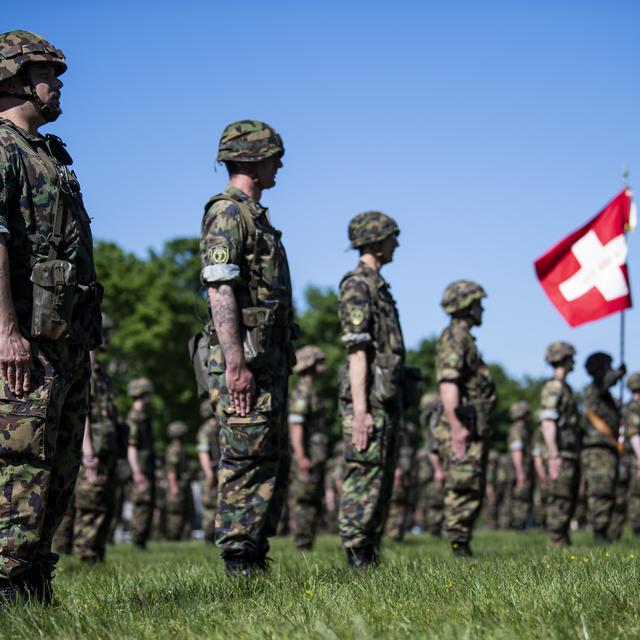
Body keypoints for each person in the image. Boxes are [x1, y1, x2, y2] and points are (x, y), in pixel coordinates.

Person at [0, 30, 102, 604]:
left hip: (64, 341)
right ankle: (6, 586)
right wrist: (6, 331)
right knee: (21, 465)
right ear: (14, 75)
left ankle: (35, 581)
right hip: (24, 344)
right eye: (48, 72)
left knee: (60, 469)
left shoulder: (49, 154)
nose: (57, 82)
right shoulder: (2, 149)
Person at [200, 120, 294, 575]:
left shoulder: (256, 216)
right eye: (275, 154)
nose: (280, 163)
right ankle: (239, 559)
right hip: (245, 363)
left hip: (266, 361)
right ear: (253, 158)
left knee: (266, 457)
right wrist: (235, 365)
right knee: (244, 456)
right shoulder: (229, 213)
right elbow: (220, 289)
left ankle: (254, 552)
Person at [337, 211, 405, 568]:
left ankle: (369, 550)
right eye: (392, 237)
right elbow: (357, 350)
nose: (396, 243)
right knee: (364, 473)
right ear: (376, 240)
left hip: (384, 397)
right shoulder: (358, 286)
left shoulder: (378, 287)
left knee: (379, 476)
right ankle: (357, 554)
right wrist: (361, 411)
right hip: (368, 400)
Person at [435, 280, 496, 557]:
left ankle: (463, 543)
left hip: (471, 424)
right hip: (462, 425)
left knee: (470, 485)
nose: (481, 309)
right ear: (467, 306)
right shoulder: (455, 338)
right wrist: (458, 429)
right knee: (462, 485)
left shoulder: (463, 338)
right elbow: (448, 384)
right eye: (477, 304)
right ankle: (459, 546)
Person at [72, 314, 119, 561]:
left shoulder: (101, 372)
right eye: (105, 332)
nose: (108, 338)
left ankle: (96, 553)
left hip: (106, 448)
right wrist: (87, 451)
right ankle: (86, 554)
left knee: (104, 502)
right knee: (90, 502)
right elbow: (84, 412)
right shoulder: (85, 368)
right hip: (93, 449)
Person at [539, 342, 581, 546]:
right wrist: (554, 455)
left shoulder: (564, 387)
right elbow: (548, 422)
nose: (574, 362)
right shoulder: (554, 387)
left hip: (568, 451)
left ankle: (562, 540)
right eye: (571, 358)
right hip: (561, 453)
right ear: (565, 359)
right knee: (560, 498)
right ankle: (556, 541)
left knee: (568, 498)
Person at [288, 345, 329, 551]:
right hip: (308, 455)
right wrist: (301, 456)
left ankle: (307, 543)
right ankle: (302, 543)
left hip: (316, 455)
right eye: (320, 361)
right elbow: (296, 425)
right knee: (304, 500)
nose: (324, 365)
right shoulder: (304, 391)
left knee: (313, 500)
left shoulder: (312, 390)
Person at [581, 352, 625, 543]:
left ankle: (607, 531)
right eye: (608, 366)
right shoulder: (594, 388)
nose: (610, 369)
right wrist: (619, 374)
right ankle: (599, 531)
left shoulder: (607, 397)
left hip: (608, 447)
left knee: (610, 490)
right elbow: (604, 382)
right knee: (601, 490)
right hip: (597, 447)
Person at [126, 377, 156, 550]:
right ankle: (137, 540)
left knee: (148, 504)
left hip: (147, 466)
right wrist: (137, 472)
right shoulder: (134, 417)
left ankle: (142, 540)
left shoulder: (145, 416)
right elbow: (132, 447)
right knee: (141, 504)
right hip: (140, 468)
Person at [508, 401, 534, 530]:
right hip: (520, 470)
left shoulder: (523, 429)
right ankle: (519, 526)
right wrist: (520, 473)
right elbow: (516, 451)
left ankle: (522, 525)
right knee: (521, 497)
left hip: (524, 468)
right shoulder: (518, 430)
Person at [165, 421, 193, 540]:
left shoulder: (179, 448)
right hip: (177, 485)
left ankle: (183, 537)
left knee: (185, 513)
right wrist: (174, 487)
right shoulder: (174, 450)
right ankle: (173, 538)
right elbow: (171, 471)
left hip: (182, 484)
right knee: (176, 514)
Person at [196, 399, 219, 544]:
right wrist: (209, 474)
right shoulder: (206, 430)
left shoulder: (217, 428)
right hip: (211, 472)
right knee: (210, 507)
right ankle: (209, 538)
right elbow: (203, 453)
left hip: (218, 470)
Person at [623, 373, 640, 536]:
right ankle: (637, 528)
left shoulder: (629, 406)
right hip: (635, 455)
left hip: (633, 454)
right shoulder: (634, 407)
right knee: (636, 493)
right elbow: (634, 433)